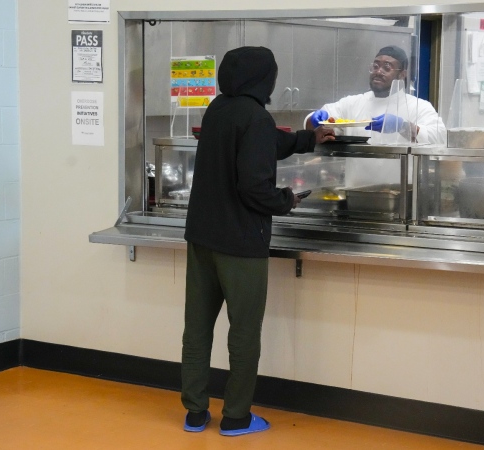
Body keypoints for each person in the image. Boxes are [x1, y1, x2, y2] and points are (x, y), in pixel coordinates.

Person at [182, 46, 334, 437]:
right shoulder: (256, 117)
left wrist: (305, 139)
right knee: (244, 333)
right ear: (264, 79)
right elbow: (255, 188)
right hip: (240, 244)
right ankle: (236, 417)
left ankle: (195, 413)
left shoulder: (218, 109)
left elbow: (264, 142)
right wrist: (286, 200)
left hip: (201, 238)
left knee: (197, 329)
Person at [305, 45, 446, 187]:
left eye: (387, 67)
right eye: (375, 66)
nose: (378, 71)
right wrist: (314, 118)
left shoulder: (418, 106)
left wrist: (403, 126)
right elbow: (314, 125)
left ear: (402, 74)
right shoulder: (353, 103)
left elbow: (439, 137)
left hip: (400, 195)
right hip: (357, 193)